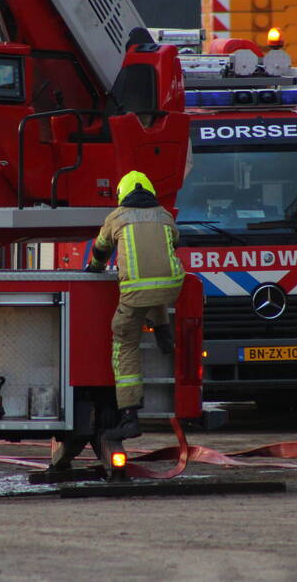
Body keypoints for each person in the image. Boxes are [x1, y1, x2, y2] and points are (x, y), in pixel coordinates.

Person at [85, 170, 185, 440]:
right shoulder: (165, 215)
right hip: (172, 285)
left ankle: (129, 416)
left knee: (124, 341)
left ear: (122, 194)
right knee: (154, 289)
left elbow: (101, 250)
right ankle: (163, 330)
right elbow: (173, 244)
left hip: (136, 292)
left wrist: (95, 268)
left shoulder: (117, 217)